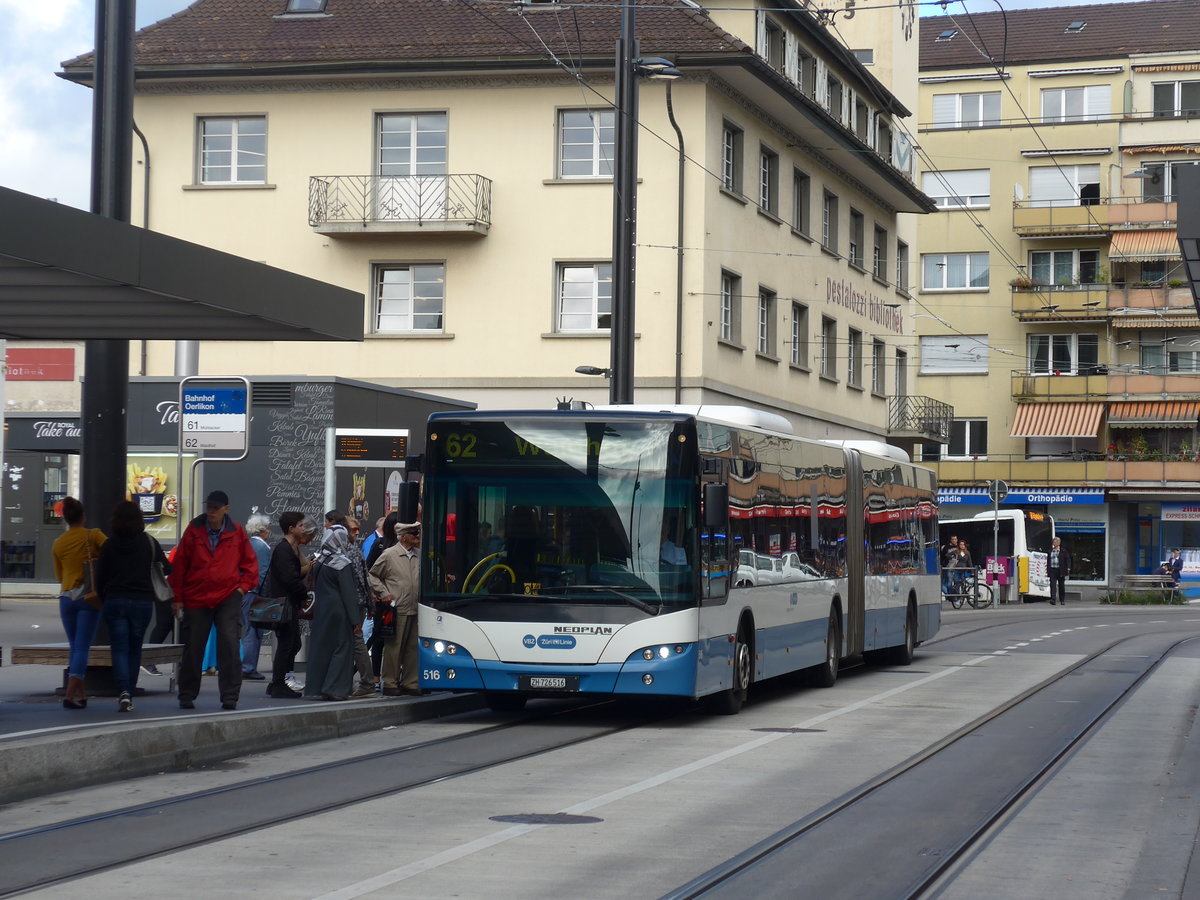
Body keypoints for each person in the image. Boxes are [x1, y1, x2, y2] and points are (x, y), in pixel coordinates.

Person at [168, 490, 259, 711]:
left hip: (227, 595)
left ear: (225, 510)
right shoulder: (194, 530)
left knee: (228, 645)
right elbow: (179, 565)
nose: (210, 512)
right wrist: (177, 598)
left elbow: (250, 565)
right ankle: (186, 695)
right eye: (209, 507)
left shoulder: (236, 531)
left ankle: (229, 697)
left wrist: (241, 589)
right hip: (197, 595)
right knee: (193, 647)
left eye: (215, 509)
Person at [96, 500, 172, 712]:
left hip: (115, 599)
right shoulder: (149, 542)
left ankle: (123, 691)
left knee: (119, 647)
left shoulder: (109, 544)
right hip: (142, 601)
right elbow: (167, 568)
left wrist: (103, 599)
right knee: (134, 648)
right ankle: (130, 688)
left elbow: (100, 576)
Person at [51, 497, 107, 709]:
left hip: (66, 597)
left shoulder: (58, 543)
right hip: (87, 597)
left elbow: (59, 575)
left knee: (75, 646)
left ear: (65, 518)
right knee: (83, 647)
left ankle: (81, 695)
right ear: (83, 516)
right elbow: (110, 551)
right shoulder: (93, 535)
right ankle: (69, 694)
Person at [303, 512, 360, 701]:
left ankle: (314, 688)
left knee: (321, 648)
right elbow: (349, 594)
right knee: (342, 648)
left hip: (322, 610)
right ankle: (335, 688)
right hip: (340, 611)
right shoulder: (342, 563)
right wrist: (355, 619)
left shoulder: (319, 562)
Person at [265, 511, 316, 698]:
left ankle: (278, 681)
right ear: (291, 528)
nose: (304, 528)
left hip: (289, 603)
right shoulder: (283, 550)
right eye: (301, 525)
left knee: (292, 642)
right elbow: (289, 578)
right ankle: (278, 683)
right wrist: (303, 594)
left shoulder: (291, 548)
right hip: (284, 603)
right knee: (288, 643)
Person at [368, 521, 423, 697]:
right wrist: (384, 593)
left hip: (415, 607)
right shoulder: (389, 555)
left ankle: (410, 681)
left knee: (413, 647)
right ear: (403, 536)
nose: (417, 536)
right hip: (396, 607)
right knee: (394, 647)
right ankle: (390, 682)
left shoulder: (419, 555)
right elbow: (372, 575)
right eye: (414, 533)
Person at [344, 516, 378, 698]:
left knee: (357, 642)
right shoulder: (353, 549)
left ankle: (366, 681)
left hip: (354, 604)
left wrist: (368, 603)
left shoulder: (351, 550)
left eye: (357, 529)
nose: (357, 532)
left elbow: (360, 579)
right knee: (355, 642)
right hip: (356, 603)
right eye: (353, 529)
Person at [241, 514, 274, 680]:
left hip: (247, 593)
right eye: (267, 528)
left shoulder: (248, 545)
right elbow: (262, 573)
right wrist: (265, 596)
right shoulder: (262, 548)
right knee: (254, 631)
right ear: (262, 531)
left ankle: (248, 666)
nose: (269, 531)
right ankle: (248, 667)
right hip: (255, 594)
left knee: (250, 630)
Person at [1048, 536, 1072, 605]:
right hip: (1052, 570)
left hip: (1060, 570)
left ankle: (1062, 600)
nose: (1054, 543)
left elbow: (1068, 559)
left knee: (1061, 586)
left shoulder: (1063, 551)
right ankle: (1053, 599)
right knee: (1052, 585)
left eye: (1055, 542)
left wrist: (1068, 567)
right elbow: (1048, 560)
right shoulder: (1050, 551)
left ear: (1059, 543)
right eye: (1053, 542)